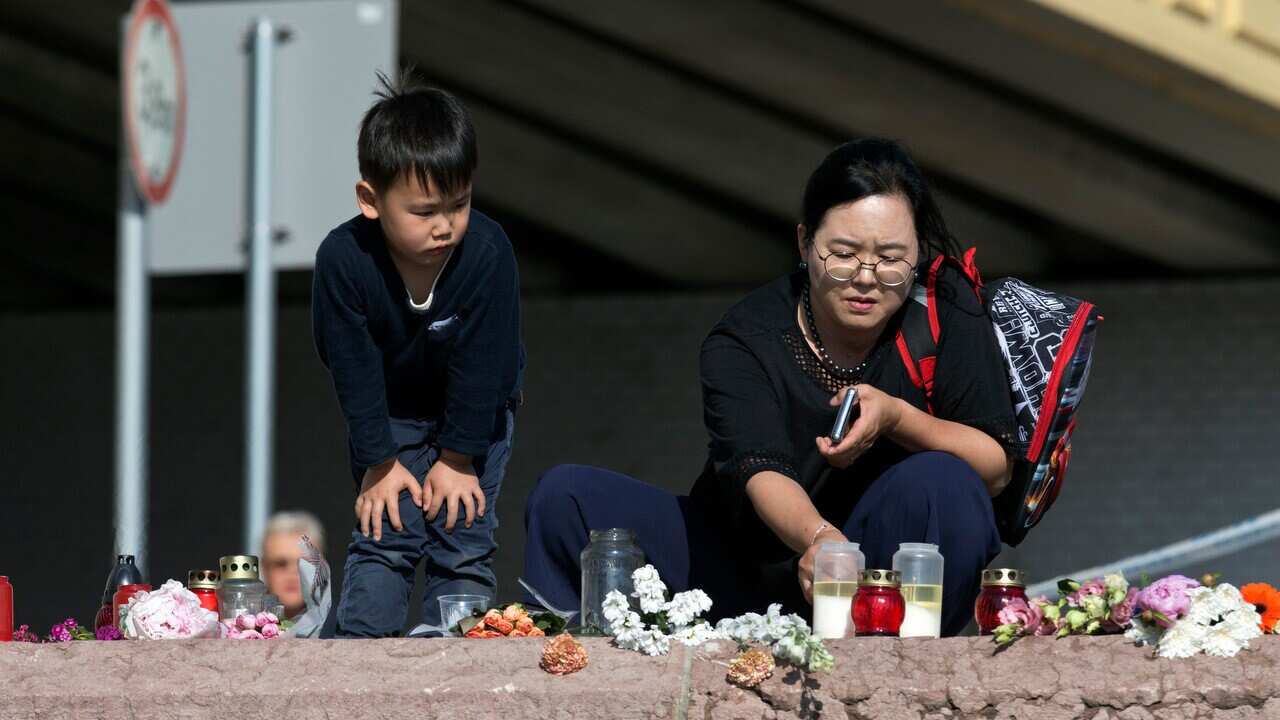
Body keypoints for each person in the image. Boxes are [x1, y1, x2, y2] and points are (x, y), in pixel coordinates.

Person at [523, 138, 1014, 635]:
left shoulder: (945, 309)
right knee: (567, 496)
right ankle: (579, 671)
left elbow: (994, 468)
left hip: (879, 582)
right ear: (805, 243)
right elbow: (759, 468)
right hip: (736, 570)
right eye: (843, 254)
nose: (866, 278)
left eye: (891, 259)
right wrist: (819, 540)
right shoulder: (745, 337)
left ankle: (910, 675)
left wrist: (897, 417)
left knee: (944, 482)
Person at [312, 70, 524, 637]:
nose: (445, 227)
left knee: (463, 533)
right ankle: (362, 653)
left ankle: (454, 651)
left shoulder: (488, 252)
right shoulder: (342, 260)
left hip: (476, 414)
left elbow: (484, 367)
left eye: (459, 205)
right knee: (387, 531)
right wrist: (380, 463)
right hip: (388, 413)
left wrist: (457, 460)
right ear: (370, 200)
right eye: (425, 211)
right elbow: (351, 369)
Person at [260, 510, 327, 619]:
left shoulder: (344, 628)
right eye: (281, 564)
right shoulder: (241, 629)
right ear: (264, 567)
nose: (292, 574)